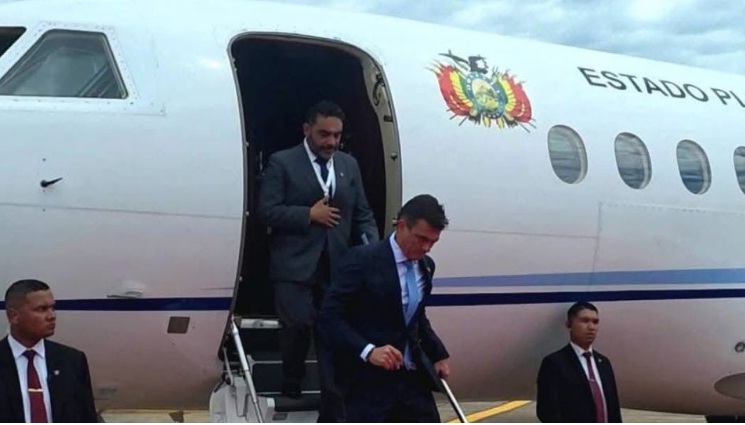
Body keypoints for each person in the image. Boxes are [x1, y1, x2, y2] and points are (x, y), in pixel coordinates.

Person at [258, 100, 379, 421]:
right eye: (324, 134)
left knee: (333, 330)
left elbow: (362, 213)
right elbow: (266, 211)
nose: (331, 142)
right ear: (307, 129)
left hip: (337, 264)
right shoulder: (282, 162)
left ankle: (333, 396)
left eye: (337, 135)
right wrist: (307, 215)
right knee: (297, 325)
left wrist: (373, 249)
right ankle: (292, 377)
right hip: (294, 264)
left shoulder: (348, 165)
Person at [318, 194, 451, 422]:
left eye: (433, 242)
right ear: (402, 226)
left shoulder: (426, 267)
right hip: (366, 383)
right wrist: (369, 351)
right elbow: (329, 317)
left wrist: (438, 353)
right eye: (422, 239)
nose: (427, 247)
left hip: (409, 379)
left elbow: (415, 317)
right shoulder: (362, 260)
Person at [0, 279, 98, 423]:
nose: (52, 316)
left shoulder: (73, 361)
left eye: (53, 308)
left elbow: (87, 417)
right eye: (42, 309)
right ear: (13, 315)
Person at [536, 301, 622, 423]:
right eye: (585, 321)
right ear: (569, 324)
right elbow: (547, 411)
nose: (591, 327)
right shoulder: (554, 363)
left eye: (595, 322)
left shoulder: (604, 363)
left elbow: (613, 409)